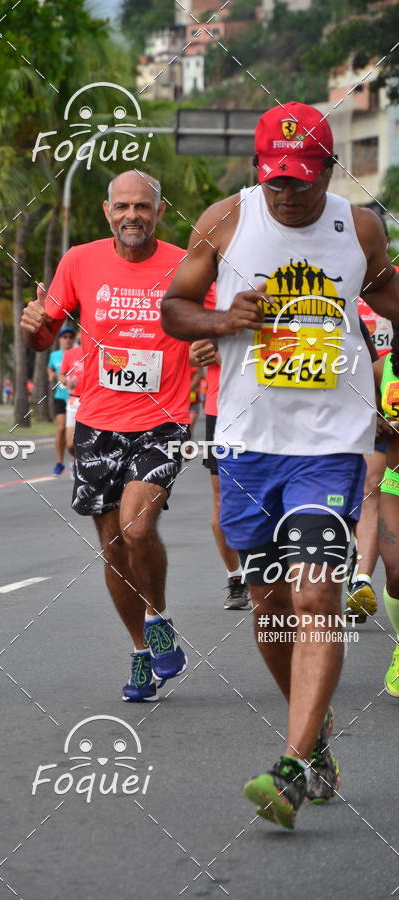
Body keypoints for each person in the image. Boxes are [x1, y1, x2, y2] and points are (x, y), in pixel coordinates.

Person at [161, 101, 399, 828]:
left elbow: (389, 292)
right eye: (275, 179)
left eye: (301, 179)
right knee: (269, 609)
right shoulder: (226, 220)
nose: (287, 192)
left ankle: (292, 768)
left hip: (329, 445)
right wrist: (222, 319)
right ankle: (316, 736)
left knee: (315, 594)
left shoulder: (358, 228)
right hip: (246, 444)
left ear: (330, 169)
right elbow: (173, 307)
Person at [22, 170, 194, 703]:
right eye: (122, 206)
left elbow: (213, 320)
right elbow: (47, 331)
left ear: (159, 213)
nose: (132, 216)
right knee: (113, 546)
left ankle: (159, 615)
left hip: (164, 418)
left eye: (143, 206)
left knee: (137, 526)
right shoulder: (79, 260)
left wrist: (211, 345)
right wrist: (35, 326)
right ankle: (141, 649)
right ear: (107, 211)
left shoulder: (186, 264)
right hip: (97, 421)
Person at [346, 217, 395, 621]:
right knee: (356, 493)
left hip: (386, 388)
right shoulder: (338, 283)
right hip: (345, 395)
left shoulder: (392, 283)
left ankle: (362, 577)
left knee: (371, 488)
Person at [196, 285, 250, 611]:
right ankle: (236, 578)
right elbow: (189, 336)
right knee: (222, 497)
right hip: (223, 409)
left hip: (271, 405)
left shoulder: (273, 274)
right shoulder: (207, 286)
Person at [373, 323, 399, 696]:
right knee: (396, 572)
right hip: (395, 481)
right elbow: (351, 409)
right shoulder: (381, 369)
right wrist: (376, 423)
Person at [48, 326, 75, 475]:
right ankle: (59, 462)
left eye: (71, 337)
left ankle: (74, 461)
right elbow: (51, 368)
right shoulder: (55, 356)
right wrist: (51, 374)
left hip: (75, 398)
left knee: (73, 433)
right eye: (65, 337)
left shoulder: (79, 354)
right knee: (60, 428)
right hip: (60, 396)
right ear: (60, 340)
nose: (68, 340)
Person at [59, 334, 84, 467]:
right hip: (74, 401)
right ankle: (77, 462)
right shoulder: (70, 353)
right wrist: (65, 381)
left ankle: (82, 466)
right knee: (70, 444)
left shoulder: (98, 351)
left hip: (92, 401)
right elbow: (61, 374)